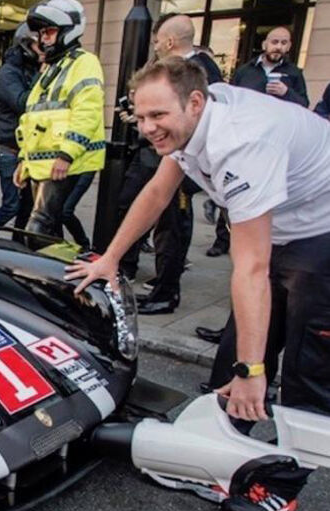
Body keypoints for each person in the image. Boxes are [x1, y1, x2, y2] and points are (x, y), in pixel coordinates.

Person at [68, 58, 330, 456]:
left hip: (321, 233)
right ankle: (225, 450)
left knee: (305, 367)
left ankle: (281, 482)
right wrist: (110, 258)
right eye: (139, 117)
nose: (146, 127)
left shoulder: (241, 144)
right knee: (236, 353)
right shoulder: (192, 123)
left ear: (194, 102)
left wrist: (252, 370)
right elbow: (157, 193)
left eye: (157, 115)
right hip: (283, 223)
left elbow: (251, 269)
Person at [118, 13, 223, 315]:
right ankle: (138, 275)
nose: (155, 46)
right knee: (146, 209)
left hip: (188, 164)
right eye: (143, 118)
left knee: (172, 228)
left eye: (156, 41)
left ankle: (166, 291)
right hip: (165, 157)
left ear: (169, 40)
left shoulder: (200, 72)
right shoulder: (166, 72)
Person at [207, 26, 310, 259]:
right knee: (232, 190)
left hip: (276, 142)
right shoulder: (246, 71)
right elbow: (229, 100)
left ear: (290, 46)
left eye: (284, 42)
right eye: (275, 41)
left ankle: (267, 240)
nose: (278, 47)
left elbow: (304, 105)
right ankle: (223, 239)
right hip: (244, 140)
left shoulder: (294, 74)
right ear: (265, 44)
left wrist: (287, 93)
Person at [15, 0, 105, 244]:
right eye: (42, 33)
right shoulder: (53, 68)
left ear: (69, 30)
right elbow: (30, 120)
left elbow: (88, 112)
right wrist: (24, 160)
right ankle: (59, 278)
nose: (44, 39)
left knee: (37, 230)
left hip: (64, 163)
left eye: (50, 32)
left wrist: (67, 154)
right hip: (43, 165)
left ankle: (45, 276)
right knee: (50, 229)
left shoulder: (84, 62)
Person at [0, 23, 40, 228]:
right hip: (8, 150)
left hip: (26, 150)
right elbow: (23, 102)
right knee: (11, 205)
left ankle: (19, 242)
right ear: (26, 45)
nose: (42, 49)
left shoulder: (31, 69)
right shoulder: (8, 73)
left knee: (28, 205)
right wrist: (43, 76)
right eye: (37, 44)